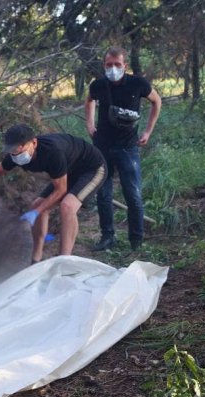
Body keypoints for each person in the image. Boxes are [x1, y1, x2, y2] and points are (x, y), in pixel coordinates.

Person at [0, 124, 107, 264]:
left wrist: (35, 213)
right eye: (13, 152)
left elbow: (61, 190)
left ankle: (64, 260)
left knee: (67, 206)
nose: (17, 156)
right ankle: (36, 259)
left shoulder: (53, 152)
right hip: (68, 171)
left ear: (34, 143)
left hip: (92, 168)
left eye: (20, 151)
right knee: (37, 205)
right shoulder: (14, 157)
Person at [85, 46, 162, 251]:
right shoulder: (99, 85)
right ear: (104, 65)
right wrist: (90, 125)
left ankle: (136, 240)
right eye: (109, 65)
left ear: (124, 65)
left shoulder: (138, 84)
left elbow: (156, 101)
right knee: (103, 194)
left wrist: (148, 132)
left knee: (133, 194)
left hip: (128, 147)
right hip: (102, 146)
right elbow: (89, 100)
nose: (113, 68)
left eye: (117, 64)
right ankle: (107, 236)